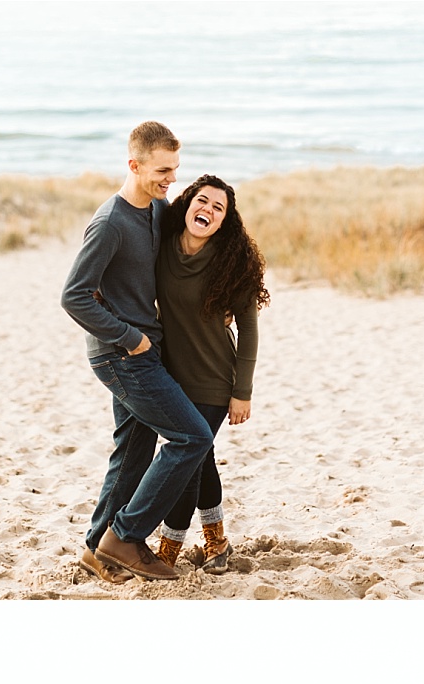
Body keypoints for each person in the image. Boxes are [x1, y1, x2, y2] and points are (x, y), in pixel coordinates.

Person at [60, 120, 214, 585]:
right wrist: (129, 336)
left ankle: (95, 550)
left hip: (145, 353)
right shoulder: (109, 223)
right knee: (191, 437)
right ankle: (125, 537)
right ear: (134, 165)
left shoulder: (158, 208)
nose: (171, 178)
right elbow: (74, 296)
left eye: (175, 169)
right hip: (121, 356)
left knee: (132, 452)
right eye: (162, 170)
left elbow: (182, 255)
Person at [152, 175, 268, 573]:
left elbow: (249, 329)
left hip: (215, 380)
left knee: (189, 460)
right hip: (169, 376)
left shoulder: (230, 262)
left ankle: (169, 550)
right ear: (188, 204)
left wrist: (243, 391)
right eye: (203, 201)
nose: (208, 211)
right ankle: (217, 542)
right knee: (200, 457)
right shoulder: (162, 247)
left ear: (224, 222)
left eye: (219, 208)